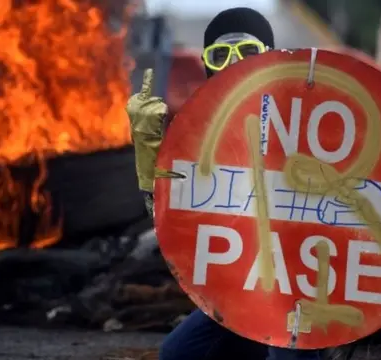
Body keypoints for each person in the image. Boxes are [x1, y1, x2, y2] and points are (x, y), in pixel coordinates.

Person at [126, 7, 324, 360]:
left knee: (283, 353)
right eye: (221, 55)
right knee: (178, 353)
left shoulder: (301, 117)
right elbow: (172, 221)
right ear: (208, 66)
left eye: (248, 51)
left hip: (299, 291)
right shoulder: (206, 132)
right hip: (241, 287)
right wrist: (148, 147)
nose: (235, 63)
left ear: (269, 57)